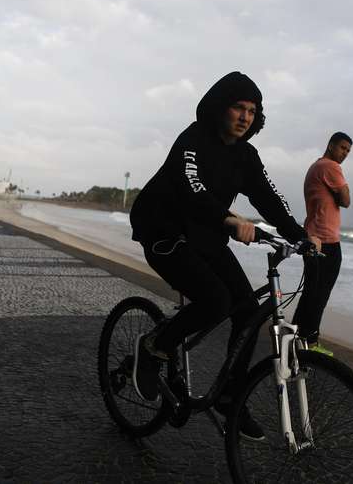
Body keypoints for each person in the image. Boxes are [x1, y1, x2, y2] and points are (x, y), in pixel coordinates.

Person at [129, 71, 320, 440]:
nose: (245, 117)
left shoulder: (246, 156)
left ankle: (231, 397)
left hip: (204, 235)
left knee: (247, 309)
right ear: (221, 107)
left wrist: (299, 235)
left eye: (252, 111)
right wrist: (228, 218)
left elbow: (268, 197)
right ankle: (155, 346)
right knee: (216, 300)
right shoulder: (193, 139)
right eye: (238, 107)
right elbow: (192, 188)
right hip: (163, 230)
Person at [292, 132, 352, 356]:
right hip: (325, 241)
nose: (345, 153)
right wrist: (342, 190)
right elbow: (346, 200)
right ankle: (311, 343)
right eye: (342, 148)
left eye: (348, 151)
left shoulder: (316, 166)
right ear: (330, 145)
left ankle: (295, 339)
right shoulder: (330, 167)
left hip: (315, 237)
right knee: (319, 295)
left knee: (311, 292)